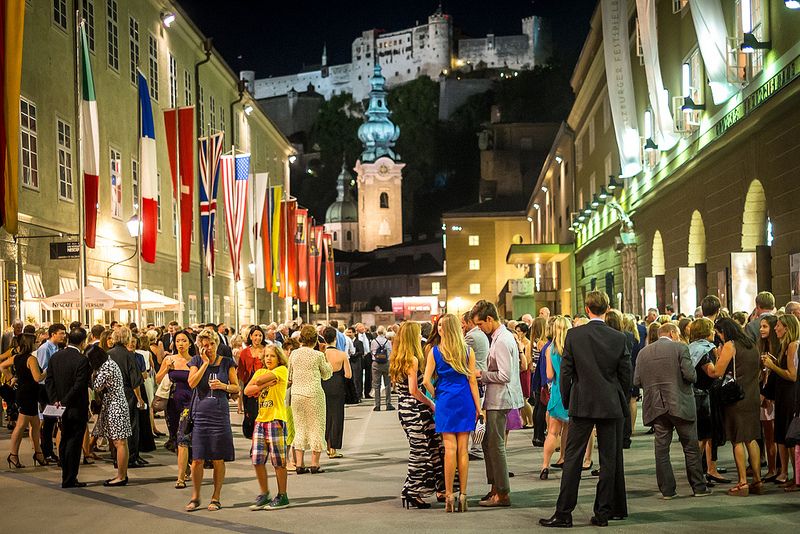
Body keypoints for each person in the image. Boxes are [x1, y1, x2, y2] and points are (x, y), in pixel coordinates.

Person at [540, 291, 630, 528]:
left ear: (587, 309)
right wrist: (620, 398)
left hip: (582, 403)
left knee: (572, 459)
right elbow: (625, 375)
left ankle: (564, 513)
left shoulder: (574, 335)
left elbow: (566, 373)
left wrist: (569, 401)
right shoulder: (618, 338)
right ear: (607, 309)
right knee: (609, 460)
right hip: (610, 403)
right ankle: (602, 512)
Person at [634, 323, 711, 498]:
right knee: (690, 448)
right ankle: (699, 487)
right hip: (680, 403)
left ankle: (667, 490)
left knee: (661, 450)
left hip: (656, 406)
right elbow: (691, 376)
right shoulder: (680, 348)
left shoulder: (643, 353)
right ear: (672, 333)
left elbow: (637, 380)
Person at [423, 314, 480, 512]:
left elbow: (426, 381)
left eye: (440, 326)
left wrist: (437, 396)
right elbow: (473, 381)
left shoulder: (435, 352)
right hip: (465, 400)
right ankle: (463, 495)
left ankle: (449, 495)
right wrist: (478, 407)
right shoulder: (468, 351)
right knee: (463, 450)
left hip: (445, 401)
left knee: (449, 450)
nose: (439, 329)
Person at [471, 300, 524, 508]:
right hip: (498, 397)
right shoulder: (500, 337)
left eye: (480, 324)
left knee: (495, 445)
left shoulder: (501, 340)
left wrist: (480, 374)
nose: (479, 328)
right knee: (489, 443)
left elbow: (504, 374)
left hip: (500, 398)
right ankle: (495, 487)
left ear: (490, 319)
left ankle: (502, 493)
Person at [390, 321, 444, 509]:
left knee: (425, 448)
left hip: (404, 408)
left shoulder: (397, 357)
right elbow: (414, 390)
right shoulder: (412, 359)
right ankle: (412, 490)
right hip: (415, 409)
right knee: (421, 451)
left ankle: (415, 490)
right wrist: (431, 403)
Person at [186, 329, 239, 512]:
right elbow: (191, 383)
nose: (207, 348)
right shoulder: (196, 361)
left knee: (218, 458)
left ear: (217, 344)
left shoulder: (227, 363)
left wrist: (223, 386)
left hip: (219, 415)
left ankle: (216, 497)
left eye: (210, 344)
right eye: (203, 345)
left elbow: (236, 388)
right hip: (200, 415)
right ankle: (195, 496)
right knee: (197, 459)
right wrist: (204, 364)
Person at [710, 318, 762, 496]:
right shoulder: (751, 343)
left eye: (719, 333)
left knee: (737, 439)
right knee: (751, 438)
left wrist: (715, 359)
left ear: (725, 331)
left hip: (736, 397)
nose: (719, 337)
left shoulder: (730, 345)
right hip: (752, 395)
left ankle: (742, 483)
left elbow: (717, 371)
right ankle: (757, 480)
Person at [245, 344, 291, 510]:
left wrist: (259, 383)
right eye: (266, 356)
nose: (269, 359)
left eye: (272, 356)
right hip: (260, 420)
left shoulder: (281, 371)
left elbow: (255, 383)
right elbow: (247, 390)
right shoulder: (261, 372)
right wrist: (264, 385)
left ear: (278, 358)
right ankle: (264, 493)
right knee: (257, 459)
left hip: (275, 419)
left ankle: (282, 495)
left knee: (278, 461)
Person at [44, 327, 90, 488]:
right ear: (83, 342)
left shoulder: (56, 357)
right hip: (76, 406)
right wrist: (64, 400)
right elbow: (79, 386)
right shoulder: (82, 360)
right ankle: (70, 477)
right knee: (74, 442)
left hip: (59, 406)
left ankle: (66, 473)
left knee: (64, 439)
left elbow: (49, 381)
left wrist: (55, 400)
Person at [288, 324, 333, 474]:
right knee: (316, 427)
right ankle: (315, 464)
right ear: (315, 340)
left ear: (301, 338)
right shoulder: (318, 355)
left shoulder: (293, 354)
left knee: (299, 428)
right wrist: (324, 355)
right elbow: (327, 374)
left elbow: (289, 376)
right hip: (314, 394)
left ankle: (299, 464)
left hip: (297, 395)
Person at [762, 313, 799, 489]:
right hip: (784, 395)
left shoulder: (792, 345)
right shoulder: (786, 345)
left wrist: (772, 366)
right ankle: (790, 474)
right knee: (783, 436)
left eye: (778, 325)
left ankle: (795, 476)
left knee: (789, 437)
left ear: (788, 328)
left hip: (790, 396)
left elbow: (792, 376)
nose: (776, 328)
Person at [87, 344, 132, 486]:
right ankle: (122, 474)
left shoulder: (106, 367)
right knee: (120, 442)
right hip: (116, 404)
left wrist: (92, 375)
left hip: (115, 405)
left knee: (119, 442)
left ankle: (121, 476)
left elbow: (97, 386)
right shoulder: (110, 362)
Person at [1, 333, 47, 468]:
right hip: (29, 394)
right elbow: (37, 378)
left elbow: (2, 366)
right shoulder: (31, 359)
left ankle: (38, 453)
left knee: (35, 423)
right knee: (21, 425)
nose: (37, 343)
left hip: (23, 392)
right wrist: (46, 372)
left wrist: (11, 377)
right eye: (35, 341)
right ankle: (13, 455)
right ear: (30, 343)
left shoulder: (16, 357)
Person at [155, 329, 195, 487]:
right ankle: (185, 467)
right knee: (175, 436)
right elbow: (158, 379)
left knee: (182, 436)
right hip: (172, 403)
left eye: (184, 340)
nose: (181, 344)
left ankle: (180, 478)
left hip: (189, 403)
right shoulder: (169, 359)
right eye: (178, 340)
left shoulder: (195, 360)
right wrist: (166, 368)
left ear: (190, 343)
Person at [688, 318, 724, 485]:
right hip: (703, 396)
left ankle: (709, 469)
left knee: (703, 435)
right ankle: (698, 474)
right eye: (711, 330)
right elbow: (711, 372)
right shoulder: (705, 349)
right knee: (703, 436)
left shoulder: (690, 348)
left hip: (692, 394)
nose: (714, 333)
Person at [108, 326, 145, 468]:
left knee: (116, 427)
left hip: (112, 394)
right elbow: (135, 380)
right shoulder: (129, 355)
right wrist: (140, 399)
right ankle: (131, 458)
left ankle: (116, 456)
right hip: (128, 394)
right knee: (131, 426)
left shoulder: (108, 354)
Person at [540, 316, 571, 480]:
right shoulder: (572, 348)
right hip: (571, 392)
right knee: (568, 428)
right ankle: (564, 458)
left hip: (557, 392)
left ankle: (545, 465)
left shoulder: (549, 349)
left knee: (552, 432)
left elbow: (550, 375)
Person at [36, 323, 66, 464]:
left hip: (55, 388)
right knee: (48, 422)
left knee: (53, 421)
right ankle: (46, 451)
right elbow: (43, 371)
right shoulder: (44, 348)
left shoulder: (57, 348)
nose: (64, 336)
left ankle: (50, 451)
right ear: (53, 334)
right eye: (61, 333)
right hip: (45, 389)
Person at [321, 326, 352, 458]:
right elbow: (348, 375)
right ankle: (333, 448)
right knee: (337, 417)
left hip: (323, 386)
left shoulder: (321, 354)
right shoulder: (342, 354)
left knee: (325, 417)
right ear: (335, 338)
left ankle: (326, 446)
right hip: (338, 386)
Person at [464, 312, 490, 459]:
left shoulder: (471, 337)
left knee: (476, 412)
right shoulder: (481, 335)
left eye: (464, 323)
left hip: (475, 377)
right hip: (481, 377)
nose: (463, 326)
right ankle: (477, 447)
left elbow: (458, 352)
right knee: (478, 412)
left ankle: (476, 448)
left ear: (470, 322)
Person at [758, 314, 779, 482]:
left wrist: (766, 393)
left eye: (765, 326)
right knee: (768, 436)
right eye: (760, 326)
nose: (761, 329)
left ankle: (778, 469)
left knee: (776, 436)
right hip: (765, 396)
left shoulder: (779, 348)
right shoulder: (762, 347)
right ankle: (772, 469)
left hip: (774, 396)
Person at [237, 325, 267, 439]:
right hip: (249, 387)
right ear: (251, 336)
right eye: (255, 335)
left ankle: (261, 441)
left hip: (264, 386)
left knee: (262, 415)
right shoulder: (245, 352)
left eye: (260, 335)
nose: (258, 338)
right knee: (251, 416)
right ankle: (254, 440)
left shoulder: (266, 350)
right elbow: (241, 371)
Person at [371, 326, 394, 411]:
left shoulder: (373, 341)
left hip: (376, 364)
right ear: (384, 333)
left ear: (377, 332)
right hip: (386, 364)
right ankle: (388, 404)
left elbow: (372, 352)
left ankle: (377, 405)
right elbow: (390, 352)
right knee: (387, 384)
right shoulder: (388, 341)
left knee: (376, 385)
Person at [345, 327, 363, 403]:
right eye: (347, 332)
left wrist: (353, 355)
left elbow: (361, 352)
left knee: (357, 379)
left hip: (356, 362)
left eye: (350, 332)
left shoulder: (359, 342)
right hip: (349, 362)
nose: (348, 334)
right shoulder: (346, 341)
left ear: (354, 333)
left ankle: (358, 395)